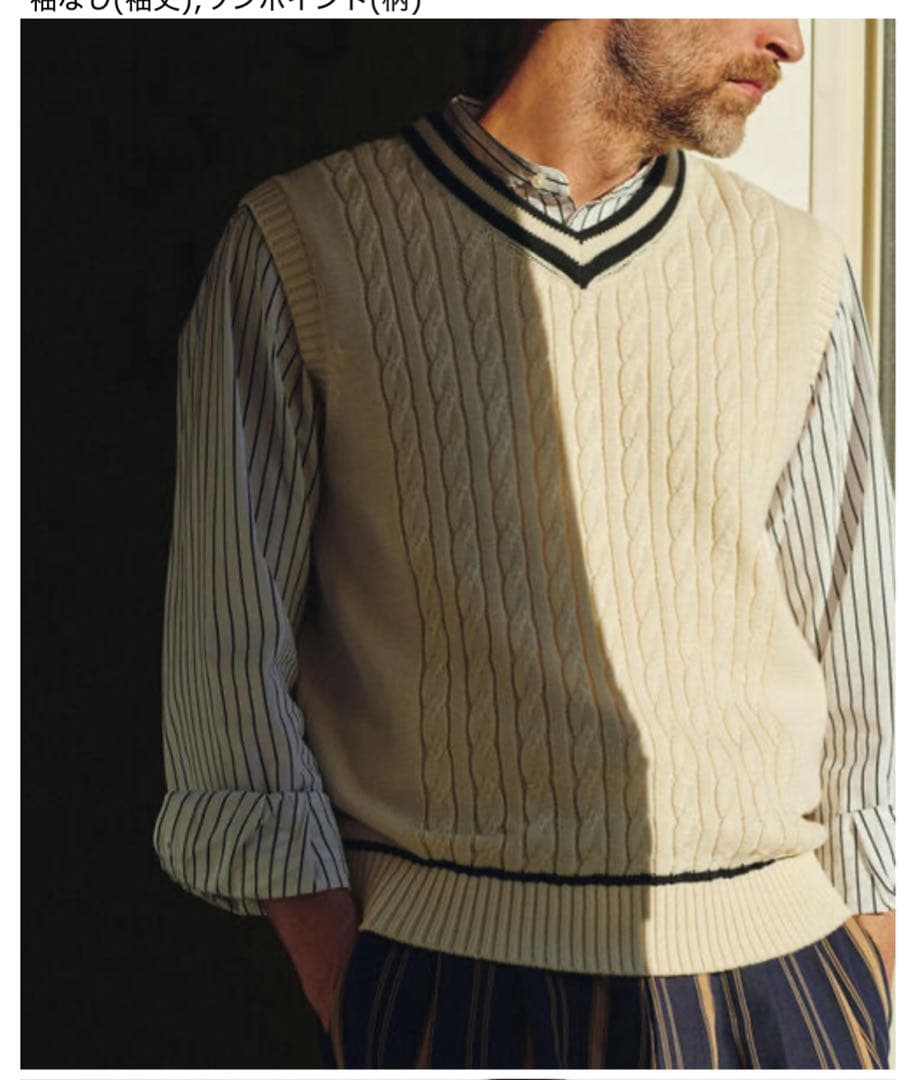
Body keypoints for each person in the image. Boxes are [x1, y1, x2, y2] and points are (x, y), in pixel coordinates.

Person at [152, 18, 895, 1069]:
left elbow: (858, 640)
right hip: (451, 980)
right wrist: (344, 982)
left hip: (784, 983)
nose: (788, 37)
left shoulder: (796, 268)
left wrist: (864, 971)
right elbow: (228, 654)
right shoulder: (302, 244)